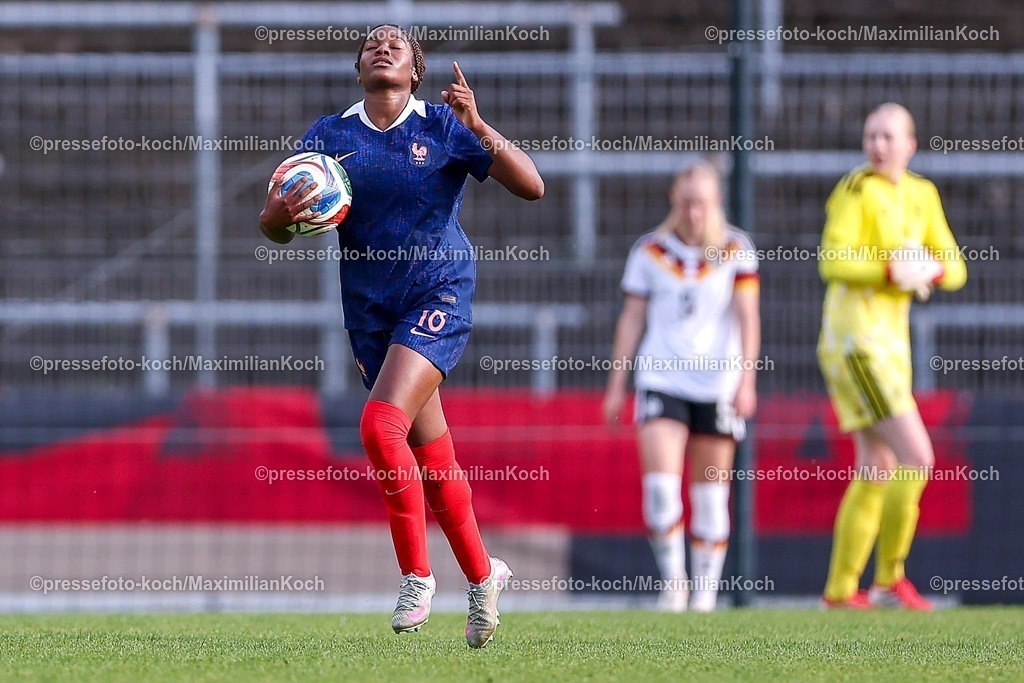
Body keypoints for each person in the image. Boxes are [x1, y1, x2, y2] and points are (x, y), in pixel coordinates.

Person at [258, 24, 544, 646]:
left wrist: (478, 122)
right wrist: (280, 213)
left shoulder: (442, 127)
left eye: (398, 44)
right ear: (358, 69)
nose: (383, 47)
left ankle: (416, 577)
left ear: (416, 70)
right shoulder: (328, 139)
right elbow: (273, 227)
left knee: (379, 425)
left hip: (437, 292)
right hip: (370, 314)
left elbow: (532, 185)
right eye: (371, 44)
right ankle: (482, 576)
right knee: (433, 459)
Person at [818, 103, 966, 610]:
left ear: (910, 144)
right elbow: (832, 258)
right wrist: (890, 270)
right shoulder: (856, 189)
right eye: (871, 136)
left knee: (877, 466)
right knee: (917, 457)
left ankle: (839, 592)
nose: (878, 146)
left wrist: (930, 271)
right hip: (854, 344)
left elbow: (955, 265)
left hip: (890, 349)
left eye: (888, 136)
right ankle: (887, 579)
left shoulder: (923, 194)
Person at [603, 161, 761, 612]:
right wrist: (618, 384)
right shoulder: (650, 251)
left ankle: (705, 596)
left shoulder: (737, 249)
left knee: (710, 495)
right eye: (687, 203)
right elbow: (632, 319)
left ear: (718, 204)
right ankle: (674, 585)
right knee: (660, 489)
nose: (694, 213)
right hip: (661, 378)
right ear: (675, 201)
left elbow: (749, 318)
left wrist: (747, 380)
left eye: (703, 204)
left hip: (717, 384)